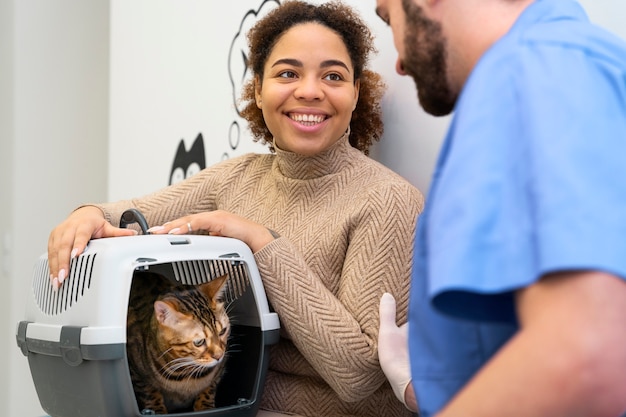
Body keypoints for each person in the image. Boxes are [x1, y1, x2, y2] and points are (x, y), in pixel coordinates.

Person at [47, 1, 424, 416]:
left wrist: (260, 241)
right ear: (258, 89)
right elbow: (129, 213)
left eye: (333, 76)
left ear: (356, 93)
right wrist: (86, 215)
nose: (310, 90)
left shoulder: (387, 200)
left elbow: (359, 377)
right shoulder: (237, 178)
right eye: (288, 73)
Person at [375, 0, 626, 416]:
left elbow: (586, 359)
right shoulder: (568, 64)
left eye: (389, 19)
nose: (398, 62)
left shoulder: (535, 67)